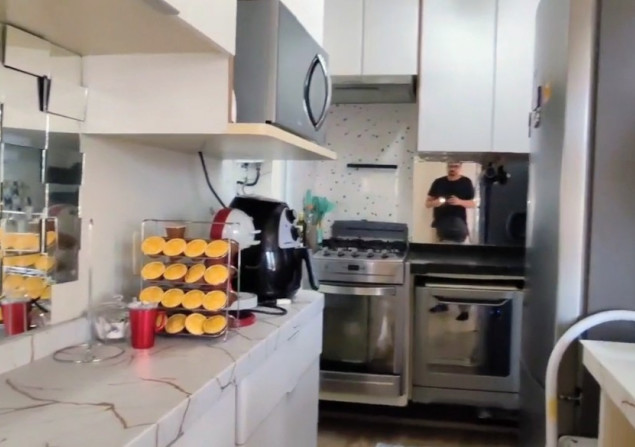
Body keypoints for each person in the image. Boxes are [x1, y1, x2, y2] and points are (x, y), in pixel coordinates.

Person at [425, 161, 476, 321]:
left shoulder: (466, 182)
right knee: (439, 268)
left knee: (460, 270)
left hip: (458, 228)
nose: (452, 169)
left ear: (460, 167)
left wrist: (459, 202)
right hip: (441, 227)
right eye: (450, 166)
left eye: (455, 166)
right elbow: (427, 203)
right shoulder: (439, 182)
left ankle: (464, 309)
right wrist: (437, 202)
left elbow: (473, 203)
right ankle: (442, 302)